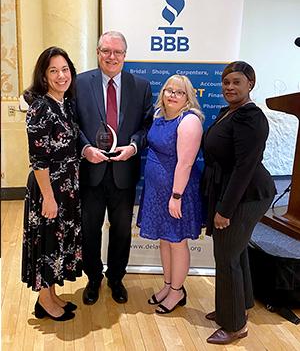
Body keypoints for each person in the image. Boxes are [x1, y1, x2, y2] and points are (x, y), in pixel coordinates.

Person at [74, 31, 153, 305]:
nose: (112, 57)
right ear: (98, 52)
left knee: (121, 230)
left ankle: (116, 278)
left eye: (118, 52)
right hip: (91, 172)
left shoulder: (140, 86)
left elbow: (146, 126)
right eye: (106, 51)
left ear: (125, 55)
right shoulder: (79, 83)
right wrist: (85, 149)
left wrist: (133, 147)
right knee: (90, 229)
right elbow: (72, 124)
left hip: (124, 172)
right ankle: (93, 278)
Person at [202, 61, 276, 344]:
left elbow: (245, 167)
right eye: (226, 82)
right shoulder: (229, 112)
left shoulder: (251, 118)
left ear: (250, 85)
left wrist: (225, 209)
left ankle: (234, 326)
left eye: (237, 82)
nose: (230, 87)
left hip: (247, 194)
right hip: (233, 190)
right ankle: (237, 306)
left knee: (227, 256)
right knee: (237, 251)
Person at [22, 47, 82, 321]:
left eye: (65, 69)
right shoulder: (40, 108)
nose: (61, 75)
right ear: (44, 76)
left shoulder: (64, 104)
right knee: (47, 243)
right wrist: (48, 197)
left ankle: (51, 295)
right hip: (48, 189)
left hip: (66, 187)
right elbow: (39, 160)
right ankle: (44, 300)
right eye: (54, 70)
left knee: (58, 244)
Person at [137, 75, 206, 314]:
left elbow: (185, 164)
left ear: (188, 97)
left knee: (177, 242)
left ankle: (178, 291)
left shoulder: (189, 121)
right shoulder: (159, 116)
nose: (173, 95)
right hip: (157, 191)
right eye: (169, 90)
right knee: (165, 240)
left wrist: (176, 196)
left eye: (180, 92)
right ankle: (168, 285)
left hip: (178, 192)